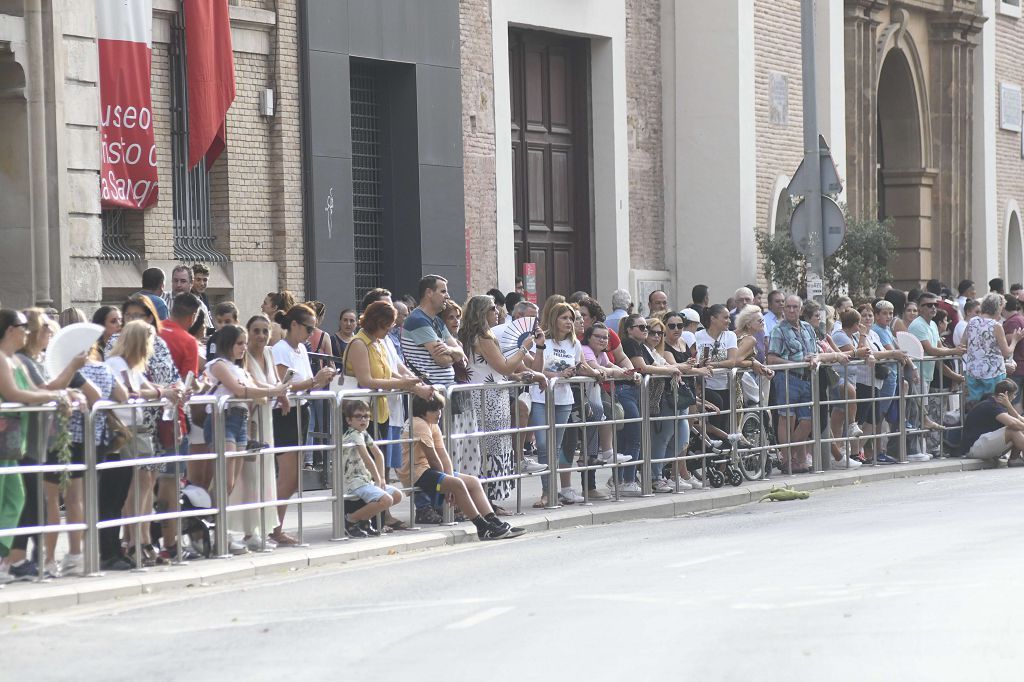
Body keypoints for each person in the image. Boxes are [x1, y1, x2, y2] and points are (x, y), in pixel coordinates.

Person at [0, 310, 79, 583]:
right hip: (5, 440)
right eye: (23, 327)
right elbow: (14, 394)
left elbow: (36, 388)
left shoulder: (15, 361)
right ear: (10, 330)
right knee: (8, 499)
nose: (27, 332)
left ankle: (8, 558)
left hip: (14, 443)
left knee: (15, 499)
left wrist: (57, 394)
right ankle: (8, 559)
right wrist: (53, 396)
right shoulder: (3, 360)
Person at [204, 324, 289, 553]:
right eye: (239, 344)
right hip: (223, 420)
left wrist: (279, 388)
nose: (243, 348)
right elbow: (239, 391)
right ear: (227, 344)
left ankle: (223, 531)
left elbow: (257, 386)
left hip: (240, 421)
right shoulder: (218, 365)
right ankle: (215, 530)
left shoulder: (240, 367)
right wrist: (272, 391)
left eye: (243, 344)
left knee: (230, 482)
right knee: (225, 480)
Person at [106, 321, 183, 566]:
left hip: (138, 429)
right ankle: (135, 540)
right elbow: (132, 392)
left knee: (146, 482)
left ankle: (142, 538)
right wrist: (165, 393)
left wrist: (171, 390)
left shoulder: (132, 366)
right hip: (126, 428)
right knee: (138, 485)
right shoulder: (117, 364)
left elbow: (149, 387)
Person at [400, 391, 525, 540]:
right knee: (457, 484)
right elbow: (433, 459)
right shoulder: (418, 424)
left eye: (440, 409)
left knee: (473, 481)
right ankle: (482, 527)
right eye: (435, 410)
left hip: (426, 468)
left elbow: (444, 456)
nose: (439, 413)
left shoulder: (431, 424)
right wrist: (448, 484)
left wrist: (448, 477)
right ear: (423, 411)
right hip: (415, 472)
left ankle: (494, 522)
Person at [458, 295, 539, 510]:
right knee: (490, 447)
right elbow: (503, 366)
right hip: (488, 398)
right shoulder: (483, 336)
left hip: (487, 392)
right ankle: (486, 500)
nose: (498, 312)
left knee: (485, 446)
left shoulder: (472, 334)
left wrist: (514, 377)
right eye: (493, 309)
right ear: (482, 313)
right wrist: (524, 348)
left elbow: (492, 369)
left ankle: (486, 500)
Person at [270, 304, 337, 545]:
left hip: (301, 412)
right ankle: (273, 528)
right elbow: (282, 384)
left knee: (293, 478)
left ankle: (275, 526)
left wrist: (321, 379)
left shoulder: (300, 349)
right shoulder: (280, 349)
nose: (312, 333)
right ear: (295, 325)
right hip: (285, 415)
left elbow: (306, 384)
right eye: (308, 328)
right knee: (288, 478)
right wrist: (314, 380)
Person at [529, 302, 602, 506]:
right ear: (554, 319)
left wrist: (595, 373)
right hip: (541, 397)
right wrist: (557, 373)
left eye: (571, 318)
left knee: (555, 446)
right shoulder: (543, 340)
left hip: (564, 399)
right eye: (564, 318)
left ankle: (550, 491)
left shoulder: (574, 343)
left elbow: (580, 365)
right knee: (543, 445)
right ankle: (546, 492)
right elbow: (537, 370)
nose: (569, 322)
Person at [613, 312, 682, 495]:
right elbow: (642, 368)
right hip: (626, 391)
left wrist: (671, 369)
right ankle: (626, 480)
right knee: (634, 437)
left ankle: (624, 479)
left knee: (630, 438)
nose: (647, 331)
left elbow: (648, 366)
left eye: (647, 328)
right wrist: (671, 370)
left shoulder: (639, 345)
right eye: (642, 328)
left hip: (635, 391)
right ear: (629, 330)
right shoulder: (629, 343)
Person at [241, 314, 285, 550]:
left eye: (264, 331)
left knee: (266, 473)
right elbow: (252, 387)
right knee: (250, 476)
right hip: (251, 420)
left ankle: (261, 529)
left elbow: (277, 381)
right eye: (256, 331)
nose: (260, 336)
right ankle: (249, 532)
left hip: (266, 417)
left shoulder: (269, 353)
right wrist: (276, 390)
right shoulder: (243, 356)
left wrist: (283, 394)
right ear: (248, 332)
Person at [767, 295, 820, 472]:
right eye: (788, 307)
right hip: (788, 378)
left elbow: (816, 351)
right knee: (786, 418)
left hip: (808, 378)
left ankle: (791, 454)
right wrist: (795, 363)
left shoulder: (808, 328)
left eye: (794, 307)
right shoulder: (778, 330)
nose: (790, 310)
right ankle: (788, 460)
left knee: (807, 421)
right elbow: (771, 358)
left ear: (801, 310)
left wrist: (814, 358)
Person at [340, 400, 404, 537]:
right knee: (386, 500)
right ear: (349, 420)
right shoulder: (353, 434)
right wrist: (376, 479)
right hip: (353, 481)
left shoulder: (363, 433)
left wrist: (380, 479)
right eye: (358, 417)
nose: (363, 420)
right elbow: (367, 458)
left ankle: (364, 520)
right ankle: (351, 520)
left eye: (366, 416)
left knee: (397, 495)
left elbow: (378, 455)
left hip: (364, 479)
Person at [961, 293, 1021, 403]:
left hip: (973, 372)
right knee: (995, 406)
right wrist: (1015, 340)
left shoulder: (972, 322)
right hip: (993, 373)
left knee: (976, 406)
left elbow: (962, 345)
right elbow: (1006, 353)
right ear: (998, 308)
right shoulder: (996, 326)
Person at [961, 380, 1024, 464]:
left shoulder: (999, 404)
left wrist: (1009, 406)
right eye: (1014, 394)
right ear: (1006, 394)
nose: (1014, 397)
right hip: (973, 448)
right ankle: (1014, 459)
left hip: (982, 445)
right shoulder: (991, 405)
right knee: (1012, 430)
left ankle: (1014, 459)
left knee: (1019, 427)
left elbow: (1018, 419)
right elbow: (1012, 423)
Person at [1003, 296, 1024, 405]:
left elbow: (1009, 341)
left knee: (1012, 402)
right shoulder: (1020, 319)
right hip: (1018, 367)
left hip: (1016, 368)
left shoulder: (1013, 322)